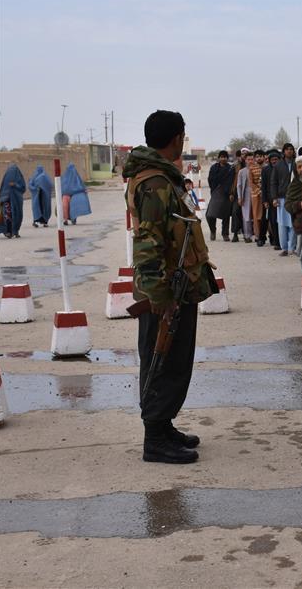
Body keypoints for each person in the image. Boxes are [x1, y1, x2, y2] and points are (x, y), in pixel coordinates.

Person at [122, 110, 218, 465]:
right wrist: (161, 298)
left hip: (176, 286)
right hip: (163, 292)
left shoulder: (164, 178)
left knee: (174, 359)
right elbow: (147, 245)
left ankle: (164, 426)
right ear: (176, 138)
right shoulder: (155, 184)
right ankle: (155, 438)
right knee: (163, 360)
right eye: (182, 135)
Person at [272, 143, 298, 256]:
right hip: (282, 198)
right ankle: (284, 248)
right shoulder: (278, 165)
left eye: (291, 149)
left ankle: (292, 247)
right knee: (282, 224)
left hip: (294, 197)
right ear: (283, 151)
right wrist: (274, 197)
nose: (289, 151)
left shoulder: (297, 164)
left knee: (293, 223)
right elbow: (273, 182)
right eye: (287, 149)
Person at [206, 150, 236, 241]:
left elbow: (232, 182)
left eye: (225, 157)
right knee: (210, 215)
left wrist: (231, 193)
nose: (223, 158)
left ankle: (225, 234)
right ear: (219, 158)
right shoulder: (214, 168)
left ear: (227, 158)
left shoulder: (231, 168)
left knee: (225, 215)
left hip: (227, 194)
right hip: (216, 192)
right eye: (221, 157)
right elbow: (210, 179)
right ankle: (213, 231)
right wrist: (214, 189)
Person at [0, 164, 25, 238]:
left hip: (16, 201)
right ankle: (8, 232)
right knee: (6, 217)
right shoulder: (6, 178)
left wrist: (15, 185)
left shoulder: (19, 179)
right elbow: (2, 189)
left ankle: (15, 231)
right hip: (6, 201)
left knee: (17, 216)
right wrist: (1, 199)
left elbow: (23, 188)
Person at [260, 149, 280, 247]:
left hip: (280, 199)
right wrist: (264, 201)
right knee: (271, 221)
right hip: (269, 200)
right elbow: (263, 186)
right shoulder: (265, 170)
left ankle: (278, 241)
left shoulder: (282, 169)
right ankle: (266, 239)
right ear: (269, 160)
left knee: (279, 221)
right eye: (272, 160)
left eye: (276, 159)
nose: (274, 161)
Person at [236, 150, 254, 243]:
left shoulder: (257, 169)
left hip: (256, 194)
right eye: (248, 159)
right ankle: (247, 235)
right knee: (246, 216)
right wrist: (240, 197)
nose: (250, 161)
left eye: (252, 159)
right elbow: (239, 185)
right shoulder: (242, 172)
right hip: (245, 194)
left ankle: (257, 235)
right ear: (245, 160)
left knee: (255, 215)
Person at [249, 149, 266, 242]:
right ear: (255, 158)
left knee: (267, 216)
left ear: (264, 157)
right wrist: (259, 191)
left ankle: (270, 235)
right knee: (256, 216)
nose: (259, 158)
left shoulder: (267, 167)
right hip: (256, 195)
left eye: (261, 156)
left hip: (267, 194)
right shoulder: (251, 168)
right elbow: (251, 182)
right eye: (257, 157)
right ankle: (258, 235)